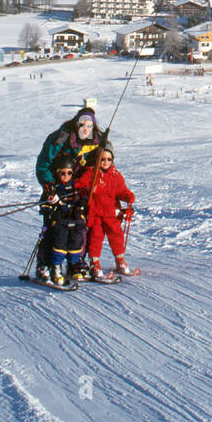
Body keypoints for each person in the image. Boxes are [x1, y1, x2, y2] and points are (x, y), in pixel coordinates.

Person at [74, 146, 136, 279]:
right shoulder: (91, 172)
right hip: (95, 212)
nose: (106, 161)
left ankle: (120, 260)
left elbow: (120, 190)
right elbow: (78, 185)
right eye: (102, 159)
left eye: (109, 159)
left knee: (116, 236)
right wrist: (86, 190)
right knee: (96, 237)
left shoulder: (115, 174)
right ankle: (94, 262)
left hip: (111, 212)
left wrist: (128, 196)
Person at [37, 154, 88, 287]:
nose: (66, 176)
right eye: (62, 173)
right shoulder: (54, 187)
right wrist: (49, 204)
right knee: (59, 243)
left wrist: (81, 204)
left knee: (76, 242)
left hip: (75, 220)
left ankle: (73, 264)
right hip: (60, 221)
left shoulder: (75, 186)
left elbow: (82, 197)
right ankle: (56, 267)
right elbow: (44, 203)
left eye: (69, 173)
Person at [34, 100, 107, 187]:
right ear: (76, 124)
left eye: (89, 125)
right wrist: (49, 184)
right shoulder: (61, 137)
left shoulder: (97, 141)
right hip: (58, 183)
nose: (85, 129)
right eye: (81, 125)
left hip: (82, 184)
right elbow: (43, 163)